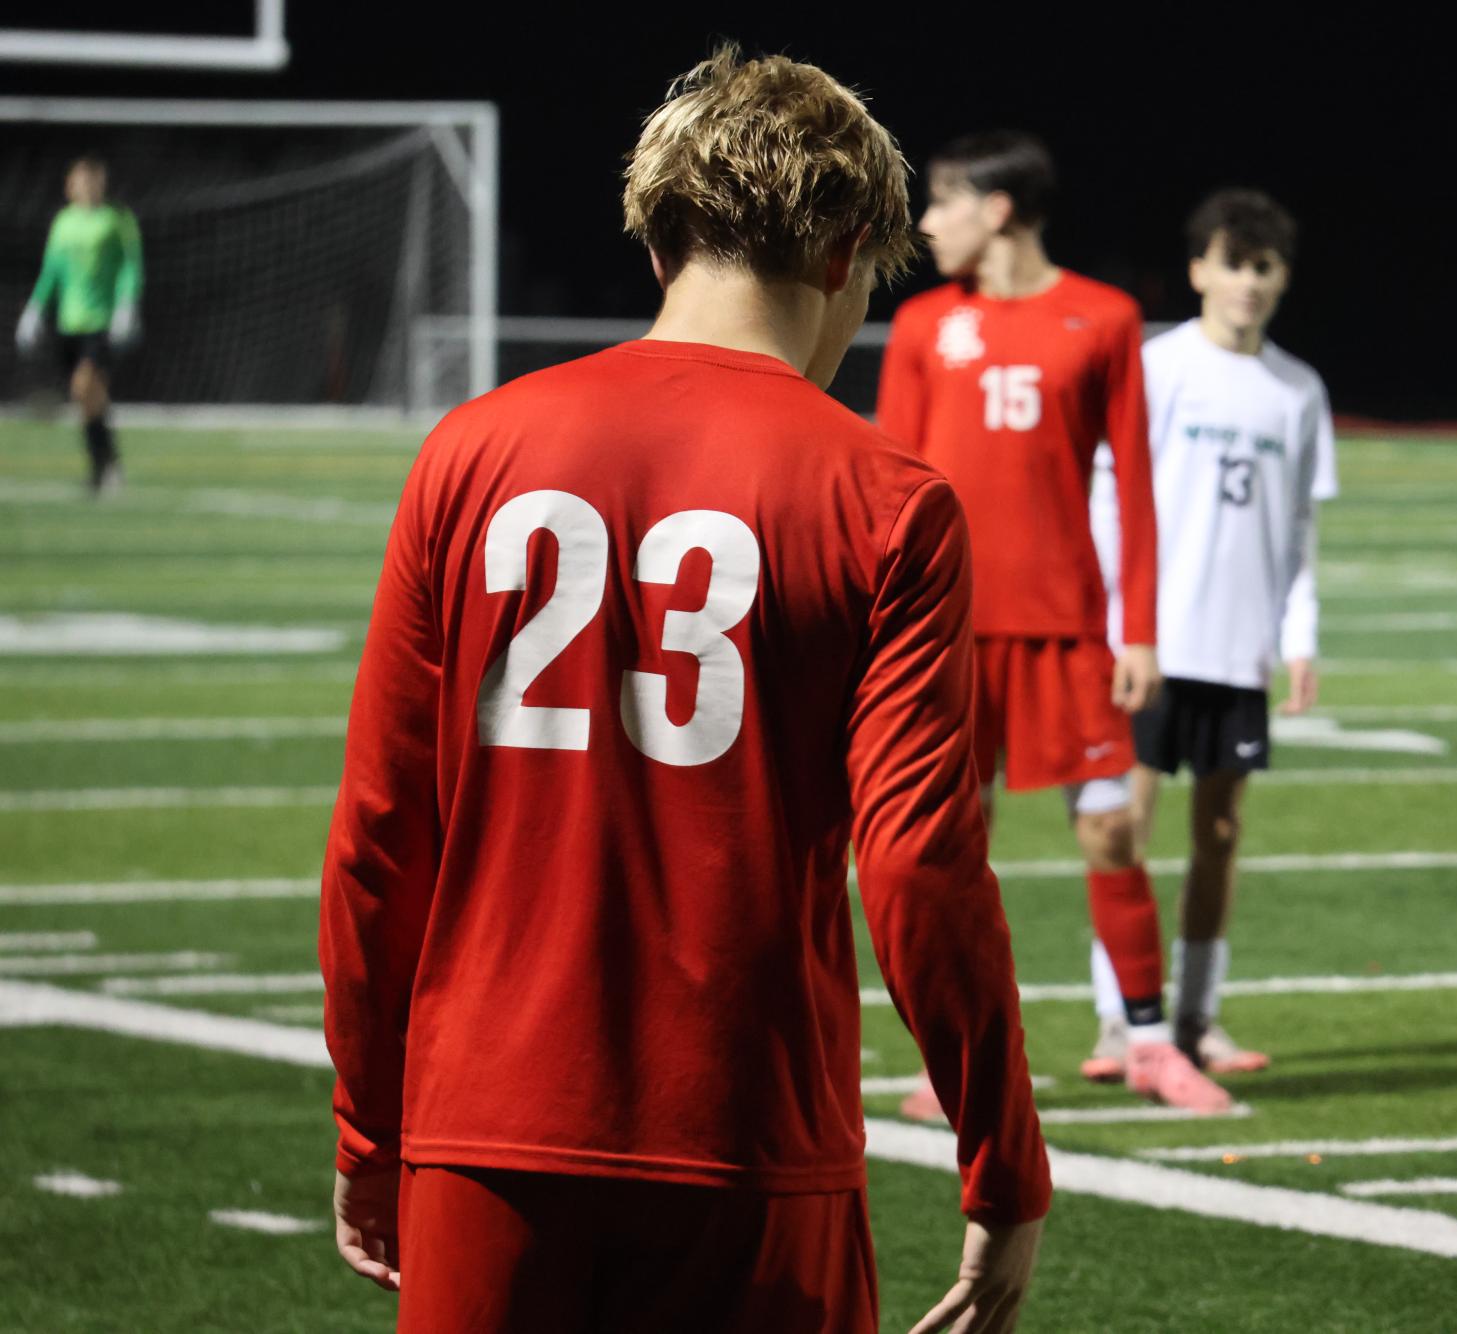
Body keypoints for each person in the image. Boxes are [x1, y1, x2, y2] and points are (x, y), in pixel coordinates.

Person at [320, 47, 1049, 1333]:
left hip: (483, 1124)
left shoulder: (472, 450)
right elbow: (922, 865)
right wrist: (1002, 1160)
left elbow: (382, 834)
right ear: (850, 250)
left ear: (658, 242)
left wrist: (372, 1126)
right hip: (746, 1135)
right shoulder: (887, 497)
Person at [877, 132, 1231, 1115]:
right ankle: (956, 1058)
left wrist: (1142, 629)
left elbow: (1139, 486)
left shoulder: (1105, 318)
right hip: (943, 635)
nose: (925, 222)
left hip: (1069, 632)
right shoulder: (919, 325)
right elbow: (890, 484)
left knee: (1113, 829)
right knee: (950, 844)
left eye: (941, 202)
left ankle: (1152, 1041)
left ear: (997, 209)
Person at [1086, 188, 1337, 1078]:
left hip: (1239, 647)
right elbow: (1109, 500)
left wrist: (1298, 636)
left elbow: (1299, 529)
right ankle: (1123, 1021)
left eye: (1264, 267)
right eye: (1232, 263)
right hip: (1152, 641)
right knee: (1126, 826)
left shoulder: (1298, 390)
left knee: (1220, 835)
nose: (1247, 282)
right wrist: (1117, 623)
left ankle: (1197, 1017)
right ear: (1198, 269)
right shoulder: (1158, 369)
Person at [14, 155, 142, 496]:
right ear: (70, 185)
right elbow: (51, 270)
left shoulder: (116, 219)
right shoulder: (64, 223)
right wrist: (35, 309)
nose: (85, 187)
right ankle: (103, 465)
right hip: (68, 322)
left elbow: (132, 265)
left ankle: (106, 462)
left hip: (101, 322)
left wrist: (126, 305)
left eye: (91, 181)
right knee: (89, 400)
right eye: (79, 181)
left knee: (83, 387)